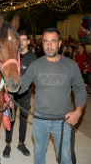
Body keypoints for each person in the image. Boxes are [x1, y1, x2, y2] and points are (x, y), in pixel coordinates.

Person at [18, 28, 87, 164]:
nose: (49, 45)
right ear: (42, 44)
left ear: (60, 43)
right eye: (46, 42)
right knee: (39, 152)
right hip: (39, 120)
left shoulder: (70, 65)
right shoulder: (35, 65)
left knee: (65, 157)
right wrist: (10, 86)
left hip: (62, 121)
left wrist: (78, 112)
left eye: (53, 41)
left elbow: (80, 89)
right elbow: (23, 84)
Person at [3, 30, 37, 158]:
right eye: (19, 40)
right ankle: (8, 144)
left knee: (23, 121)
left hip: (25, 96)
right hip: (12, 95)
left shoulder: (33, 59)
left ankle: (21, 143)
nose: (21, 42)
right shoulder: (13, 55)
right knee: (10, 120)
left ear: (28, 41)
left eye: (24, 40)